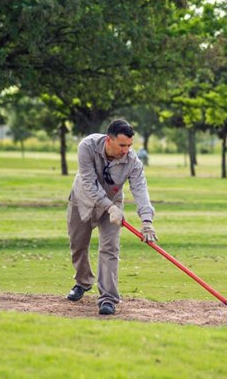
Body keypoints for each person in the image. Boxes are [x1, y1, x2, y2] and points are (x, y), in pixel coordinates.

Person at [66, 119, 158, 315]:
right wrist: (108, 206)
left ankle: (108, 298)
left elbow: (140, 190)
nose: (126, 150)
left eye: (130, 145)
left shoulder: (133, 162)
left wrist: (147, 221)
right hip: (82, 200)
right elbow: (89, 183)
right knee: (78, 245)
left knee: (110, 248)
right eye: (122, 145)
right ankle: (83, 282)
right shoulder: (87, 147)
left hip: (114, 206)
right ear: (109, 140)